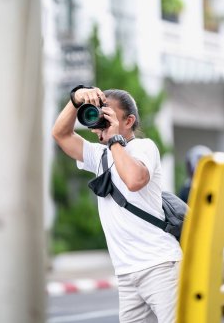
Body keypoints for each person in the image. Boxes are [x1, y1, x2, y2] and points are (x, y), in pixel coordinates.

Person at [52, 85, 182, 323]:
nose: (100, 121)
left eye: (108, 115)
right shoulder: (100, 156)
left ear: (129, 120)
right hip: (126, 273)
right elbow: (61, 134)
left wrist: (114, 140)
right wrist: (75, 100)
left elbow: (134, 180)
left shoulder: (143, 147)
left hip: (160, 267)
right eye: (98, 114)